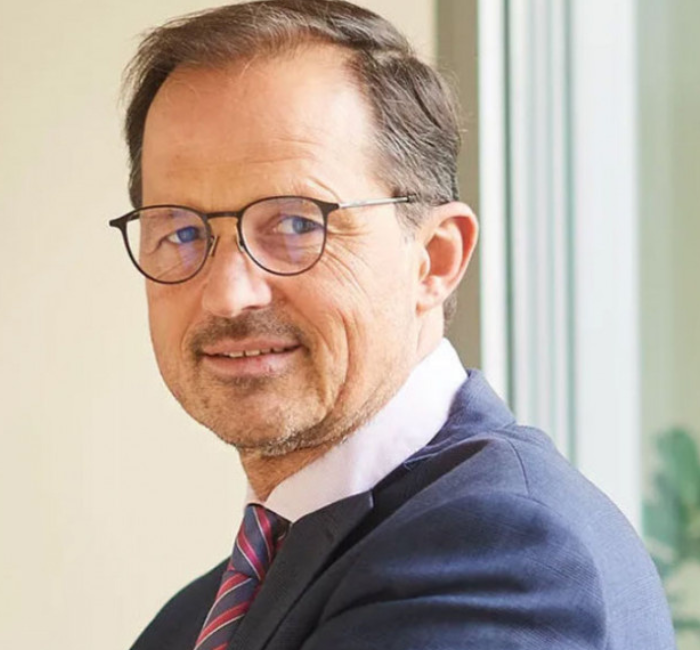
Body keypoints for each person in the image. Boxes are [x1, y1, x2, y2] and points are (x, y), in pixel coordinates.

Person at [110, 1, 675, 648]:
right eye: (181, 232)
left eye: (296, 224)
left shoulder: (496, 557)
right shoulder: (194, 617)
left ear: (435, 258)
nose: (228, 295)